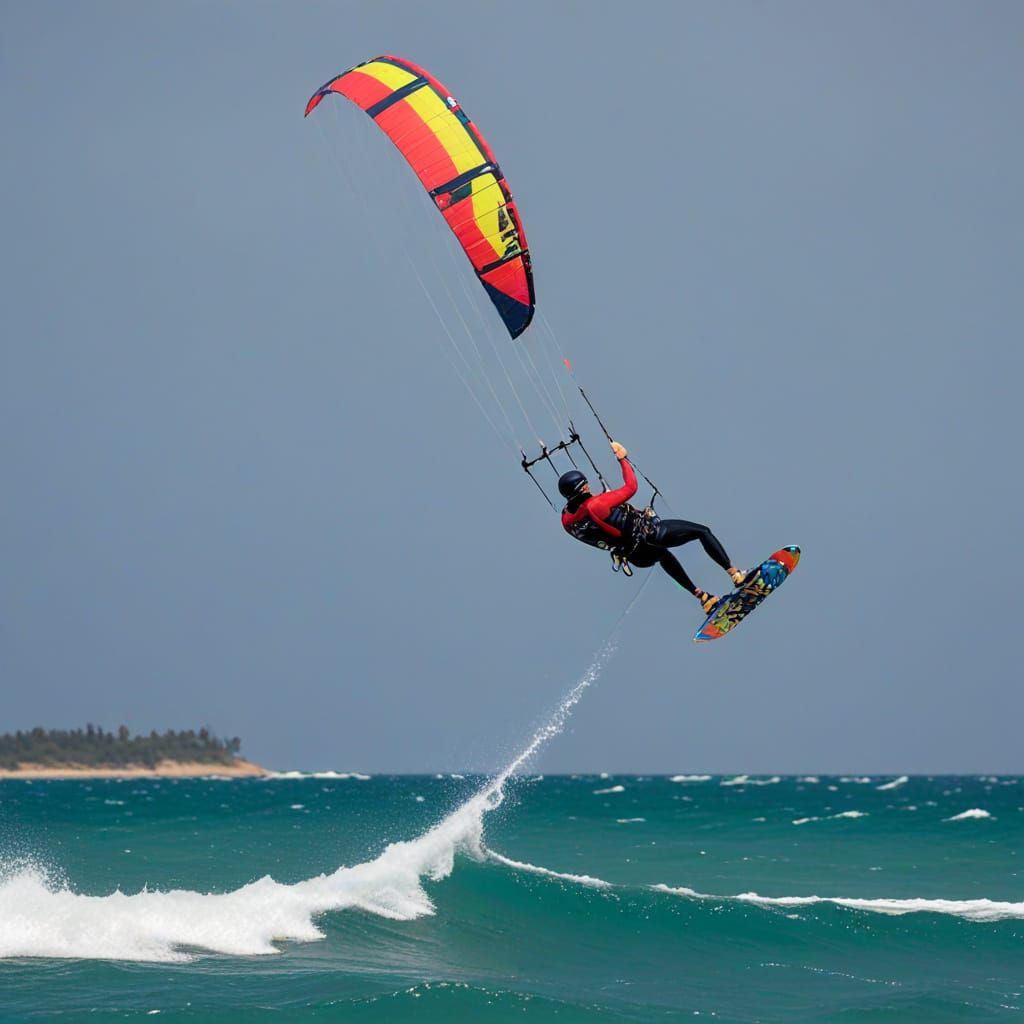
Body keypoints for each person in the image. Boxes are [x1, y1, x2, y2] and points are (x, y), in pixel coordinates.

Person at [559, 441, 747, 615]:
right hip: (649, 536)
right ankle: (735, 574)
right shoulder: (597, 504)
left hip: (637, 556)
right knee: (702, 531)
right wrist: (622, 458)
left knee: (663, 555)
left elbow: (595, 525)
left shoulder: (567, 522)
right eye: (585, 486)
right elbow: (631, 487)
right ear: (583, 488)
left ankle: (703, 598)